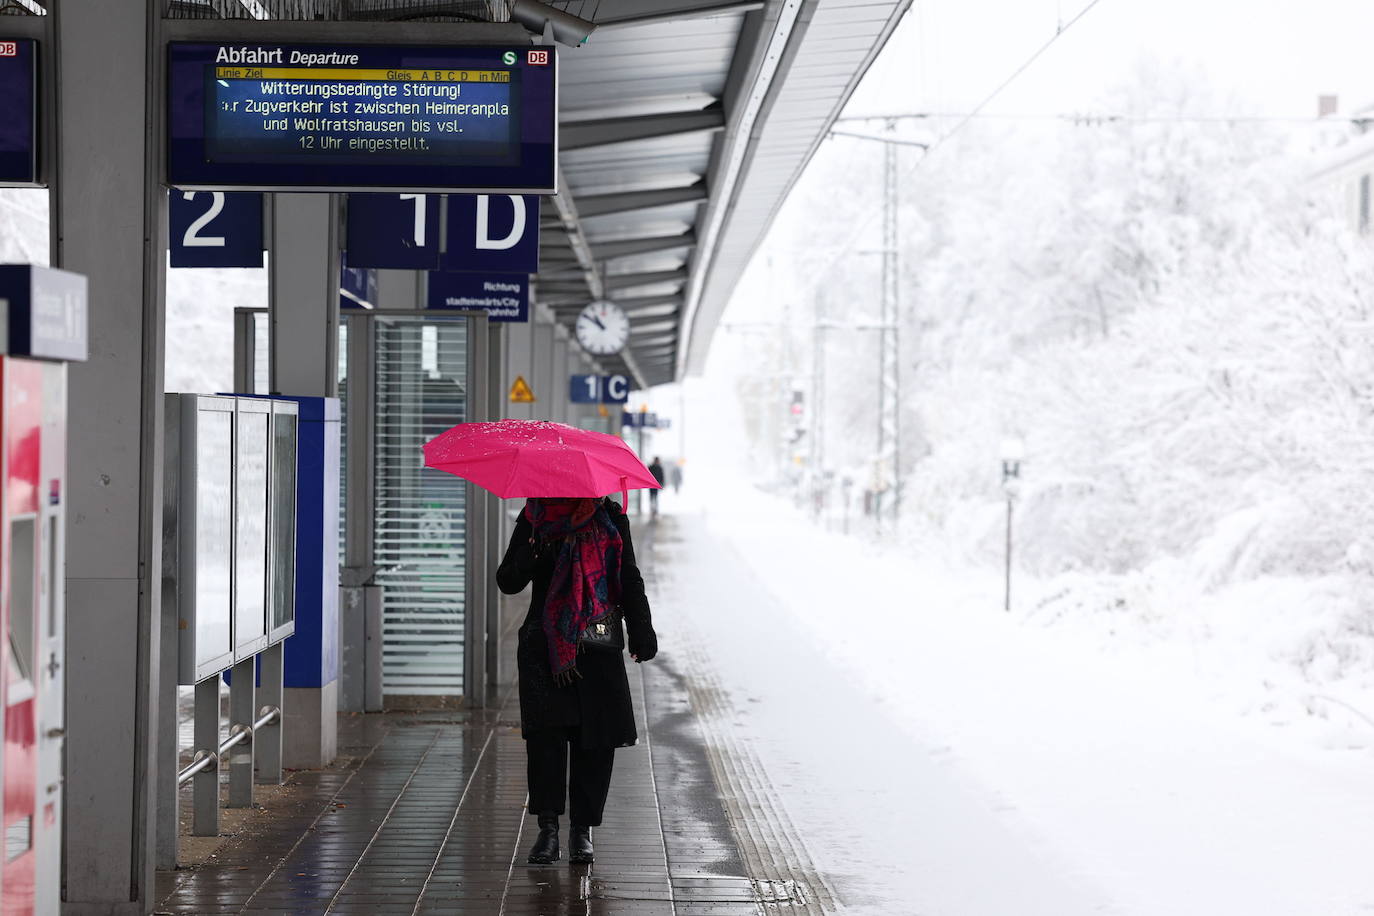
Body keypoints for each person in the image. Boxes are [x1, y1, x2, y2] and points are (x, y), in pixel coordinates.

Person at [497, 496, 658, 866]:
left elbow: (627, 576)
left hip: (597, 645)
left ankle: (582, 830)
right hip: (546, 650)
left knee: (596, 743)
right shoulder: (535, 516)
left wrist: (641, 630)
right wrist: (533, 553)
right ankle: (548, 829)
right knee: (546, 742)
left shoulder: (611, 519)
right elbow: (507, 580)